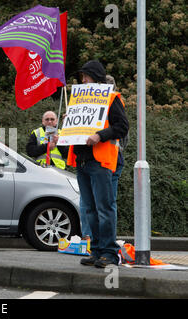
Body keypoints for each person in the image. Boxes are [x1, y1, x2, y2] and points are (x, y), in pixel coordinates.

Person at [66, 60, 129, 268]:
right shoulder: (78, 101)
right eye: (82, 77)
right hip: (83, 161)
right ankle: (96, 251)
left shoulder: (111, 98)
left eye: (86, 76)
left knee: (104, 208)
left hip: (101, 161)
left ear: (96, 77)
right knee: (90, 210)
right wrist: (65, 130)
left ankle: (109, 253)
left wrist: (99, 136)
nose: (82, 81)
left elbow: (122, 127)